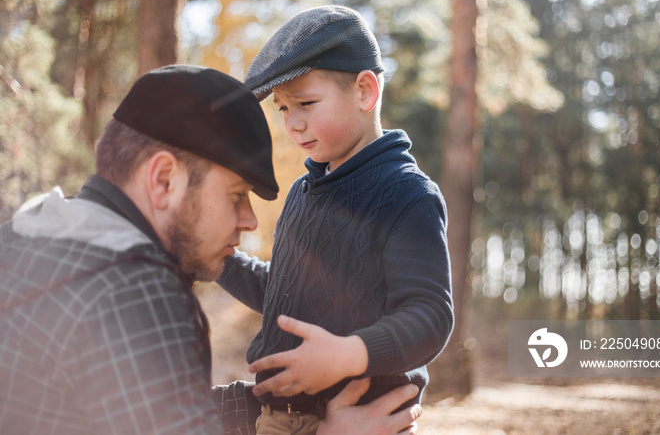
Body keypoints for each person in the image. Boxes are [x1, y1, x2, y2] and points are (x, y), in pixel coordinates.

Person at [0, 64, 421, 435]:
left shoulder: (31, 240)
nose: (250, 220)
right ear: (164, 180)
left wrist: (270, 405)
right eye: (236, 194)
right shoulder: (138, 297)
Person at [217, 5, 454, 434]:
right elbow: (286, 293)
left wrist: (349, 354)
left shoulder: (406, 194)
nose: (294, 123)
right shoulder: (302, 193)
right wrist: (217, 259)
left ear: (365, 92)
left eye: (306, 103)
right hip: (279, 418)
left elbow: (430, 314)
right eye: (284, 109)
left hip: (362, 416)